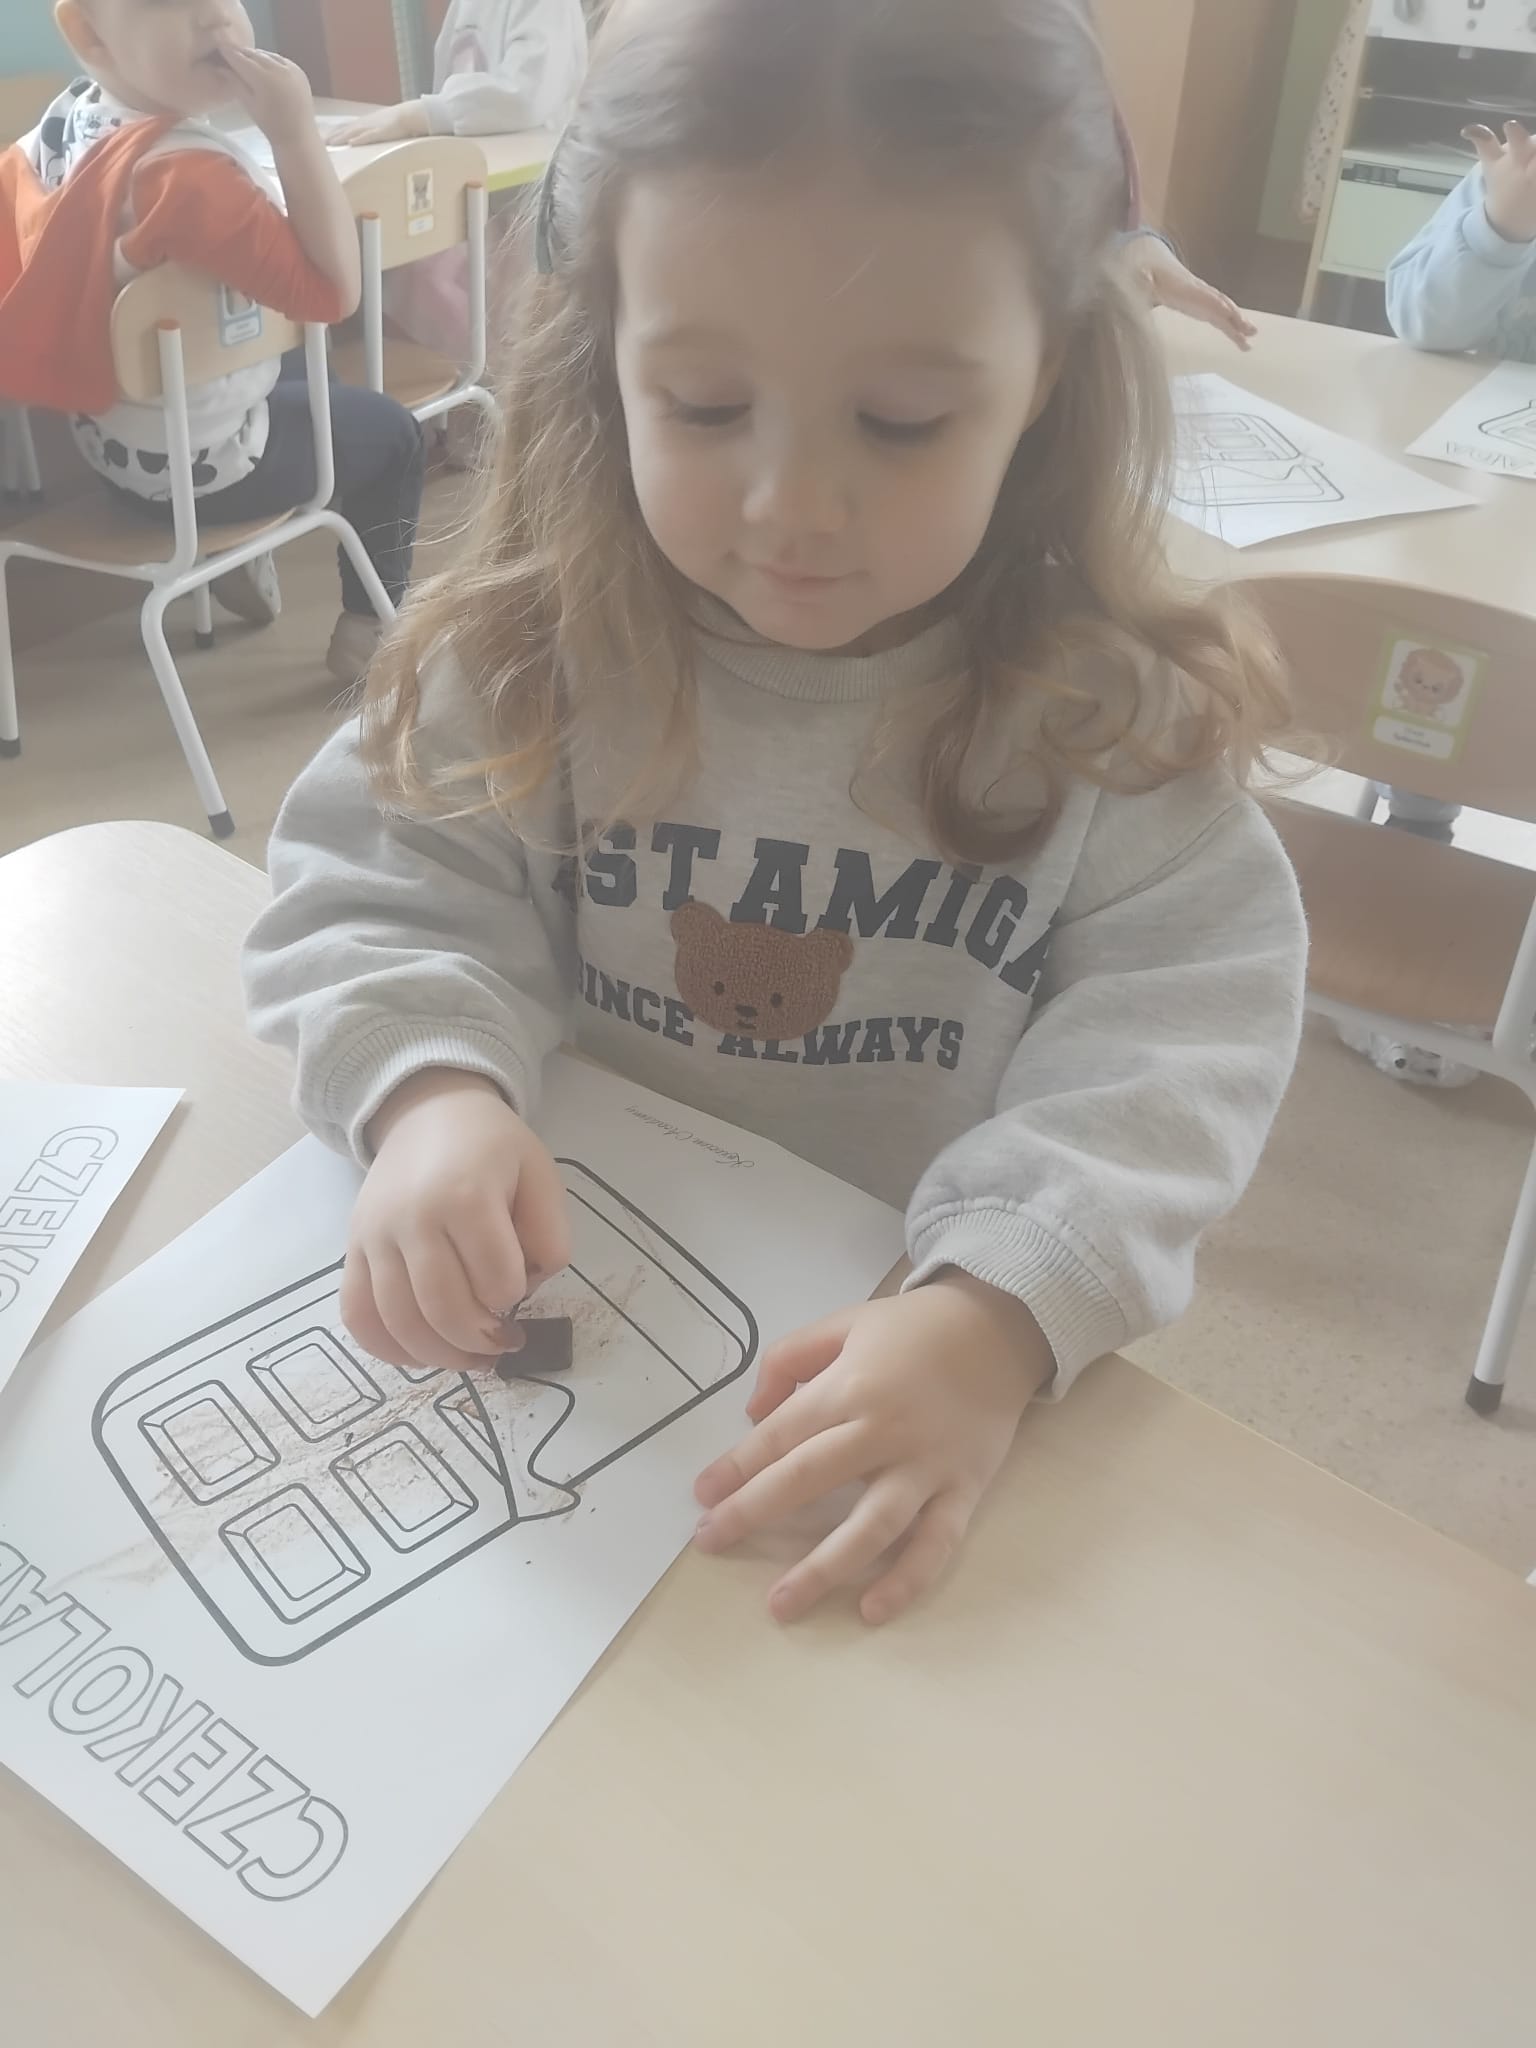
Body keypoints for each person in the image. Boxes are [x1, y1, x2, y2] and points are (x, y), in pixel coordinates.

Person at [245, 0, 1306, 1627]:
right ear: (603, 359)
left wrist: (995, 1312)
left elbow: (1180, 1044)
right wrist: (430, 1091)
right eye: (703, 404)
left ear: (1043, 375)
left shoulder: (1107, 723)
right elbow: (380, 883)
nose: (791, 507)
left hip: (886, 1370)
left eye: (900, 422)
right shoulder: (525, 656)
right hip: (573, 1340)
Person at [13, 1, 425, 684]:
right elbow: (334, 292)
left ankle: (238, 555)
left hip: (112, 448)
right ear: (89, 33)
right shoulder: (190, 178)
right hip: (212, 473)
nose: (214, 19)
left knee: (294, 355)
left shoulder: (59, 127)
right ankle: (366, 630)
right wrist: (293, 133)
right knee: (394, 435)